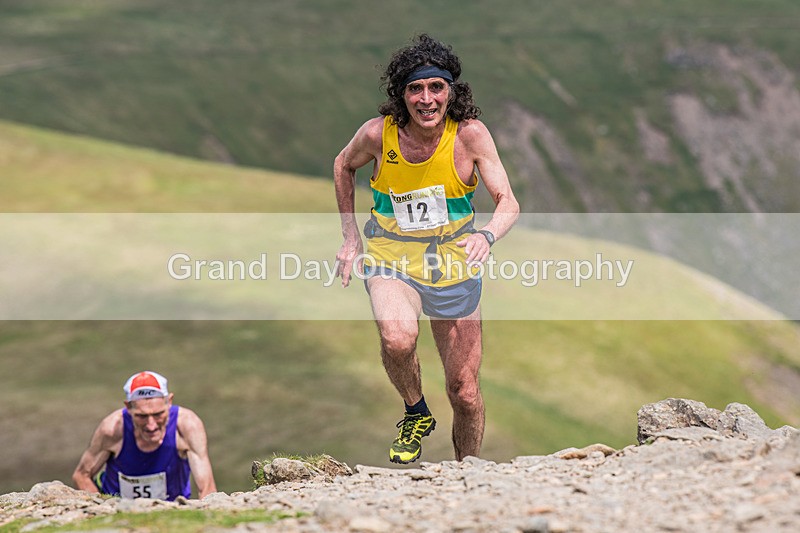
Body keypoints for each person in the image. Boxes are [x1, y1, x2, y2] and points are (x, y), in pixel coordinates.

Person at [334, 34, 519, 464]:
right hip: (389, 257)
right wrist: (350, 236)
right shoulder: (378, 135)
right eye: (415, 89)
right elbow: (343, 165)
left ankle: (466, 473)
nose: (426, 98)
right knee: (398, 339)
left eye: (436, 87)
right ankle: (415, 410)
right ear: (402, 95)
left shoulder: (470, 137)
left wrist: (487, 234)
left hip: (453, 263)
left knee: (466, 393)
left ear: (451, 92)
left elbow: (508, 201)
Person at [72, 371, 216, 500]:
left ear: (169, 402)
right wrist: (101, 510)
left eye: (158, 414)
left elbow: (207, 489)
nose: (151, 425)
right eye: (142, 416)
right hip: (117, 508)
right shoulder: (112, 428)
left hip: (172, 510)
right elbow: (81, 475)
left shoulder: (187, 426)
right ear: (128, 407)